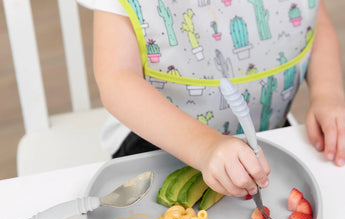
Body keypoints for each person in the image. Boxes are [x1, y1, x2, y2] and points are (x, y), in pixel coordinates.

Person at [79, 0, 345, 198]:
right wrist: (205, 146)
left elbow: (313, 21)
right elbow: (117, 79)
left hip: (265, 128)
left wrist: (327, 92)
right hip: (156, 142)